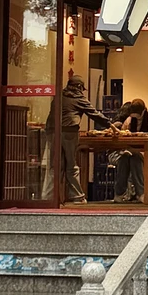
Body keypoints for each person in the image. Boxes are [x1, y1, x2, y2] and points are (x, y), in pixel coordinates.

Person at [54, 75, 115, 205]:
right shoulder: (78, 98)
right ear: (79, 87)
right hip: (69, 132)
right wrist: (111, 125)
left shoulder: (59, 96)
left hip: (52, 132)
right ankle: (78, 197)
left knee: (55, 166)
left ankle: (49, 197)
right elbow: (94, 114)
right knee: (71, 165)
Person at [112, 98, 148, 203]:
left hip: (146, 151)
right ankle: (119, 193)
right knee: (124, 158)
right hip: (129, 150)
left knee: (135, 158)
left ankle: (141, 193)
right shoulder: (129, 120)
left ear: (143, 111)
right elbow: (122, 134)